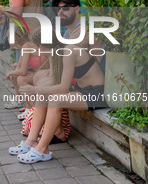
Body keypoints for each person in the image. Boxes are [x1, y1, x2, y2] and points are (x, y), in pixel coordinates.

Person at [9, 25, 107, 164]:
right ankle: (30, 142)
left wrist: (34, 90)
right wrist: (38, 89)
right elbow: (53, 78)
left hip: (96, 94)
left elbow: (62, 88)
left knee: (55, 100)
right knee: (44, 95)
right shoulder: (57, 51)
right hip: (82, 90)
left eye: (35, 47)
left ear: (41, 46)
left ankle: (42, 149)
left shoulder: (68, 51)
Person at [0, 0, 43, 109]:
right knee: (31, 71)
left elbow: (16, 12)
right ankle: (28, 104)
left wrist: (2, 10)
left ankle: (28, 106)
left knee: (22, 72)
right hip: (36, 33)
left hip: (25, 36)